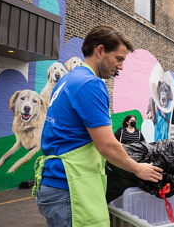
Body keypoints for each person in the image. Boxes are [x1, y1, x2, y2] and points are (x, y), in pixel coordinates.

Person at [32, 25, 163, 227]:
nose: (120, 67)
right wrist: (138, 169)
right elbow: (106, 146)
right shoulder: (91, 84)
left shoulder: (66, 80)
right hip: (70, 187)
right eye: (118, 59)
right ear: (100, 51)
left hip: (53, 183)